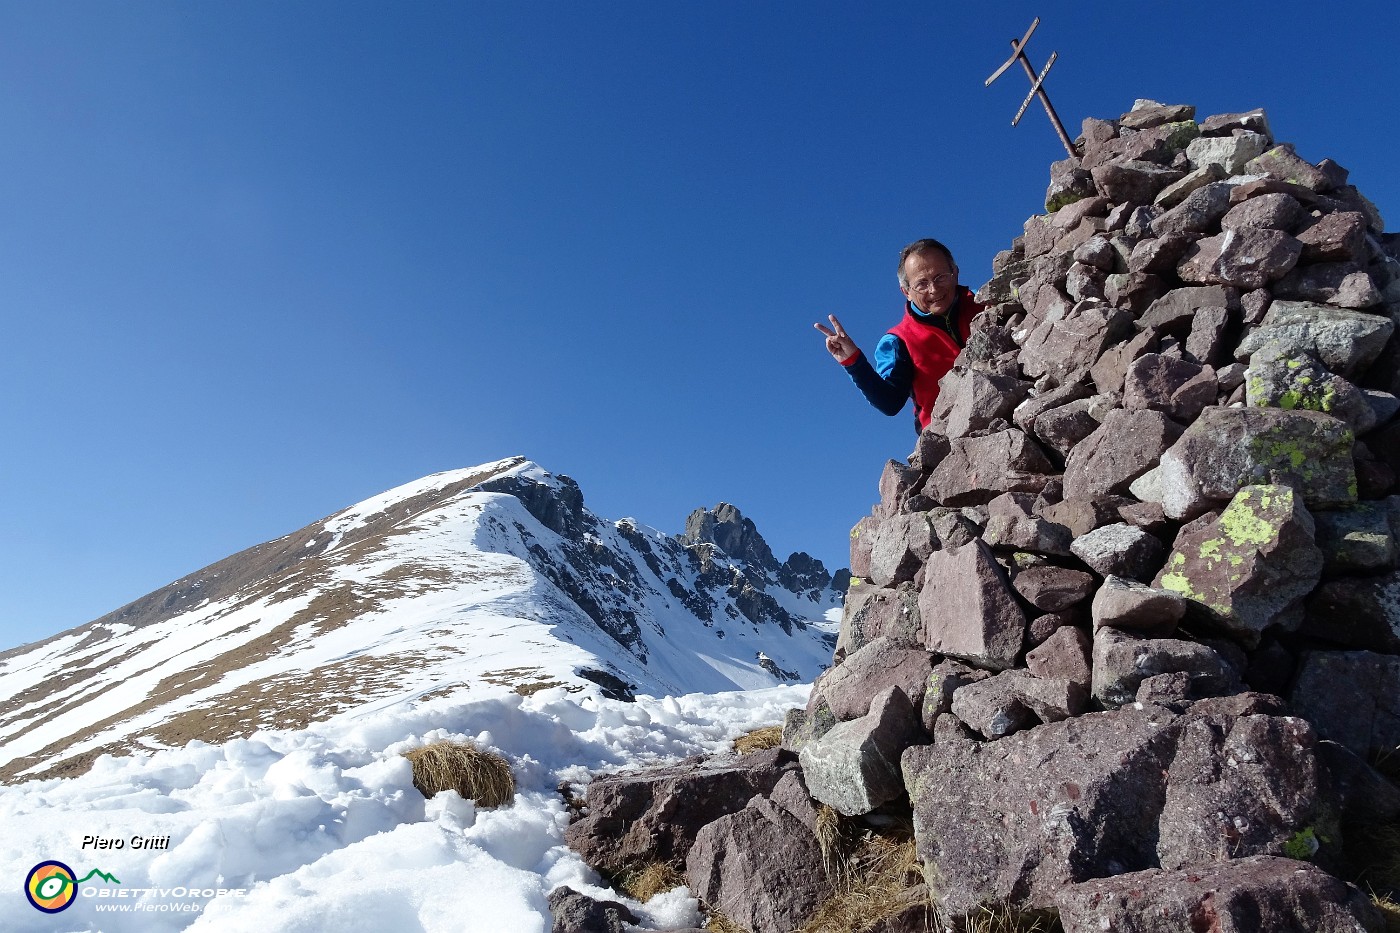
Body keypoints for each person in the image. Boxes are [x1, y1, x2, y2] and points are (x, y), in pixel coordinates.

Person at [815, 238, 983, 433]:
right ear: (906, 292)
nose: (934, 289)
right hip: (947, 439)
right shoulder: (898, 341)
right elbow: (890, 403)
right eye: (922, 284)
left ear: (955, 273)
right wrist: (853, 361)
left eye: (940, 277)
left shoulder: (986, 302)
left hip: (1010, 410)